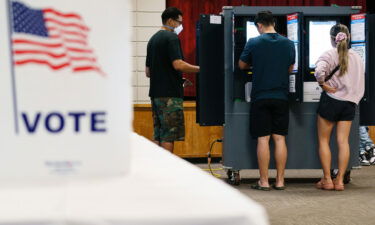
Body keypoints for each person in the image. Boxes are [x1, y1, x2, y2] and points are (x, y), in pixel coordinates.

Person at [238, 11, 295, 191]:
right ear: (274, 24)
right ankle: (280, 181)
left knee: (263, 140)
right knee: (279, 139)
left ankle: (263, 181)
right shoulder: (288, 43)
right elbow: (290, 67)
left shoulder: (254, 42)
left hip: (261, 96)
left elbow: (241, 65)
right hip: (281, 96)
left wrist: (257, 65)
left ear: (259, 25)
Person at [315, 24, 365, 191]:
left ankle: (327, 180)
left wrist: (323, 84)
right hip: (349, 104)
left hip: (331, 100)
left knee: (324, 140)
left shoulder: (329, 54)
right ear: (348, 38)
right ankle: (340, 181)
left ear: (331, 39)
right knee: (343, 141)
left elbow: (319, 71)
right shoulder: (357, 57)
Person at [145, 7, 199, 153]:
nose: (180, 25)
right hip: (170, 97)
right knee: (169, 135)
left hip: (156, 95)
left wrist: (178, 80)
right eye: (179, 22)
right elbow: (178, 64)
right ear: (170, 21)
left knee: (159, 133)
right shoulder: (171, 38)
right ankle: (166, 170)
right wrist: (201, 69)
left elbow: (148, 72)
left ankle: (156, 168)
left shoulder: (153, 39)